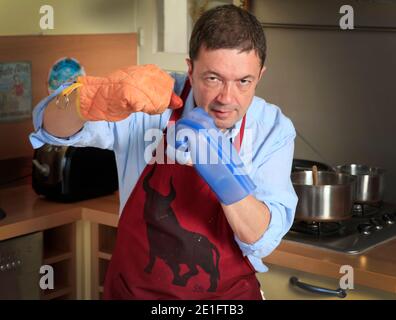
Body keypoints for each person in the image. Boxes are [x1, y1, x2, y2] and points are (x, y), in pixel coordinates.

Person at [30, 5, 298, 300]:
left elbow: (262, 240)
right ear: (190, 68)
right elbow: (49, 126)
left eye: (243, 81)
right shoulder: (150, 102)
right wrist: (93, 97)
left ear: (260, 75)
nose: (227, 98)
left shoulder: (273, 129)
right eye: (213, 78)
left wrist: (225, 174)